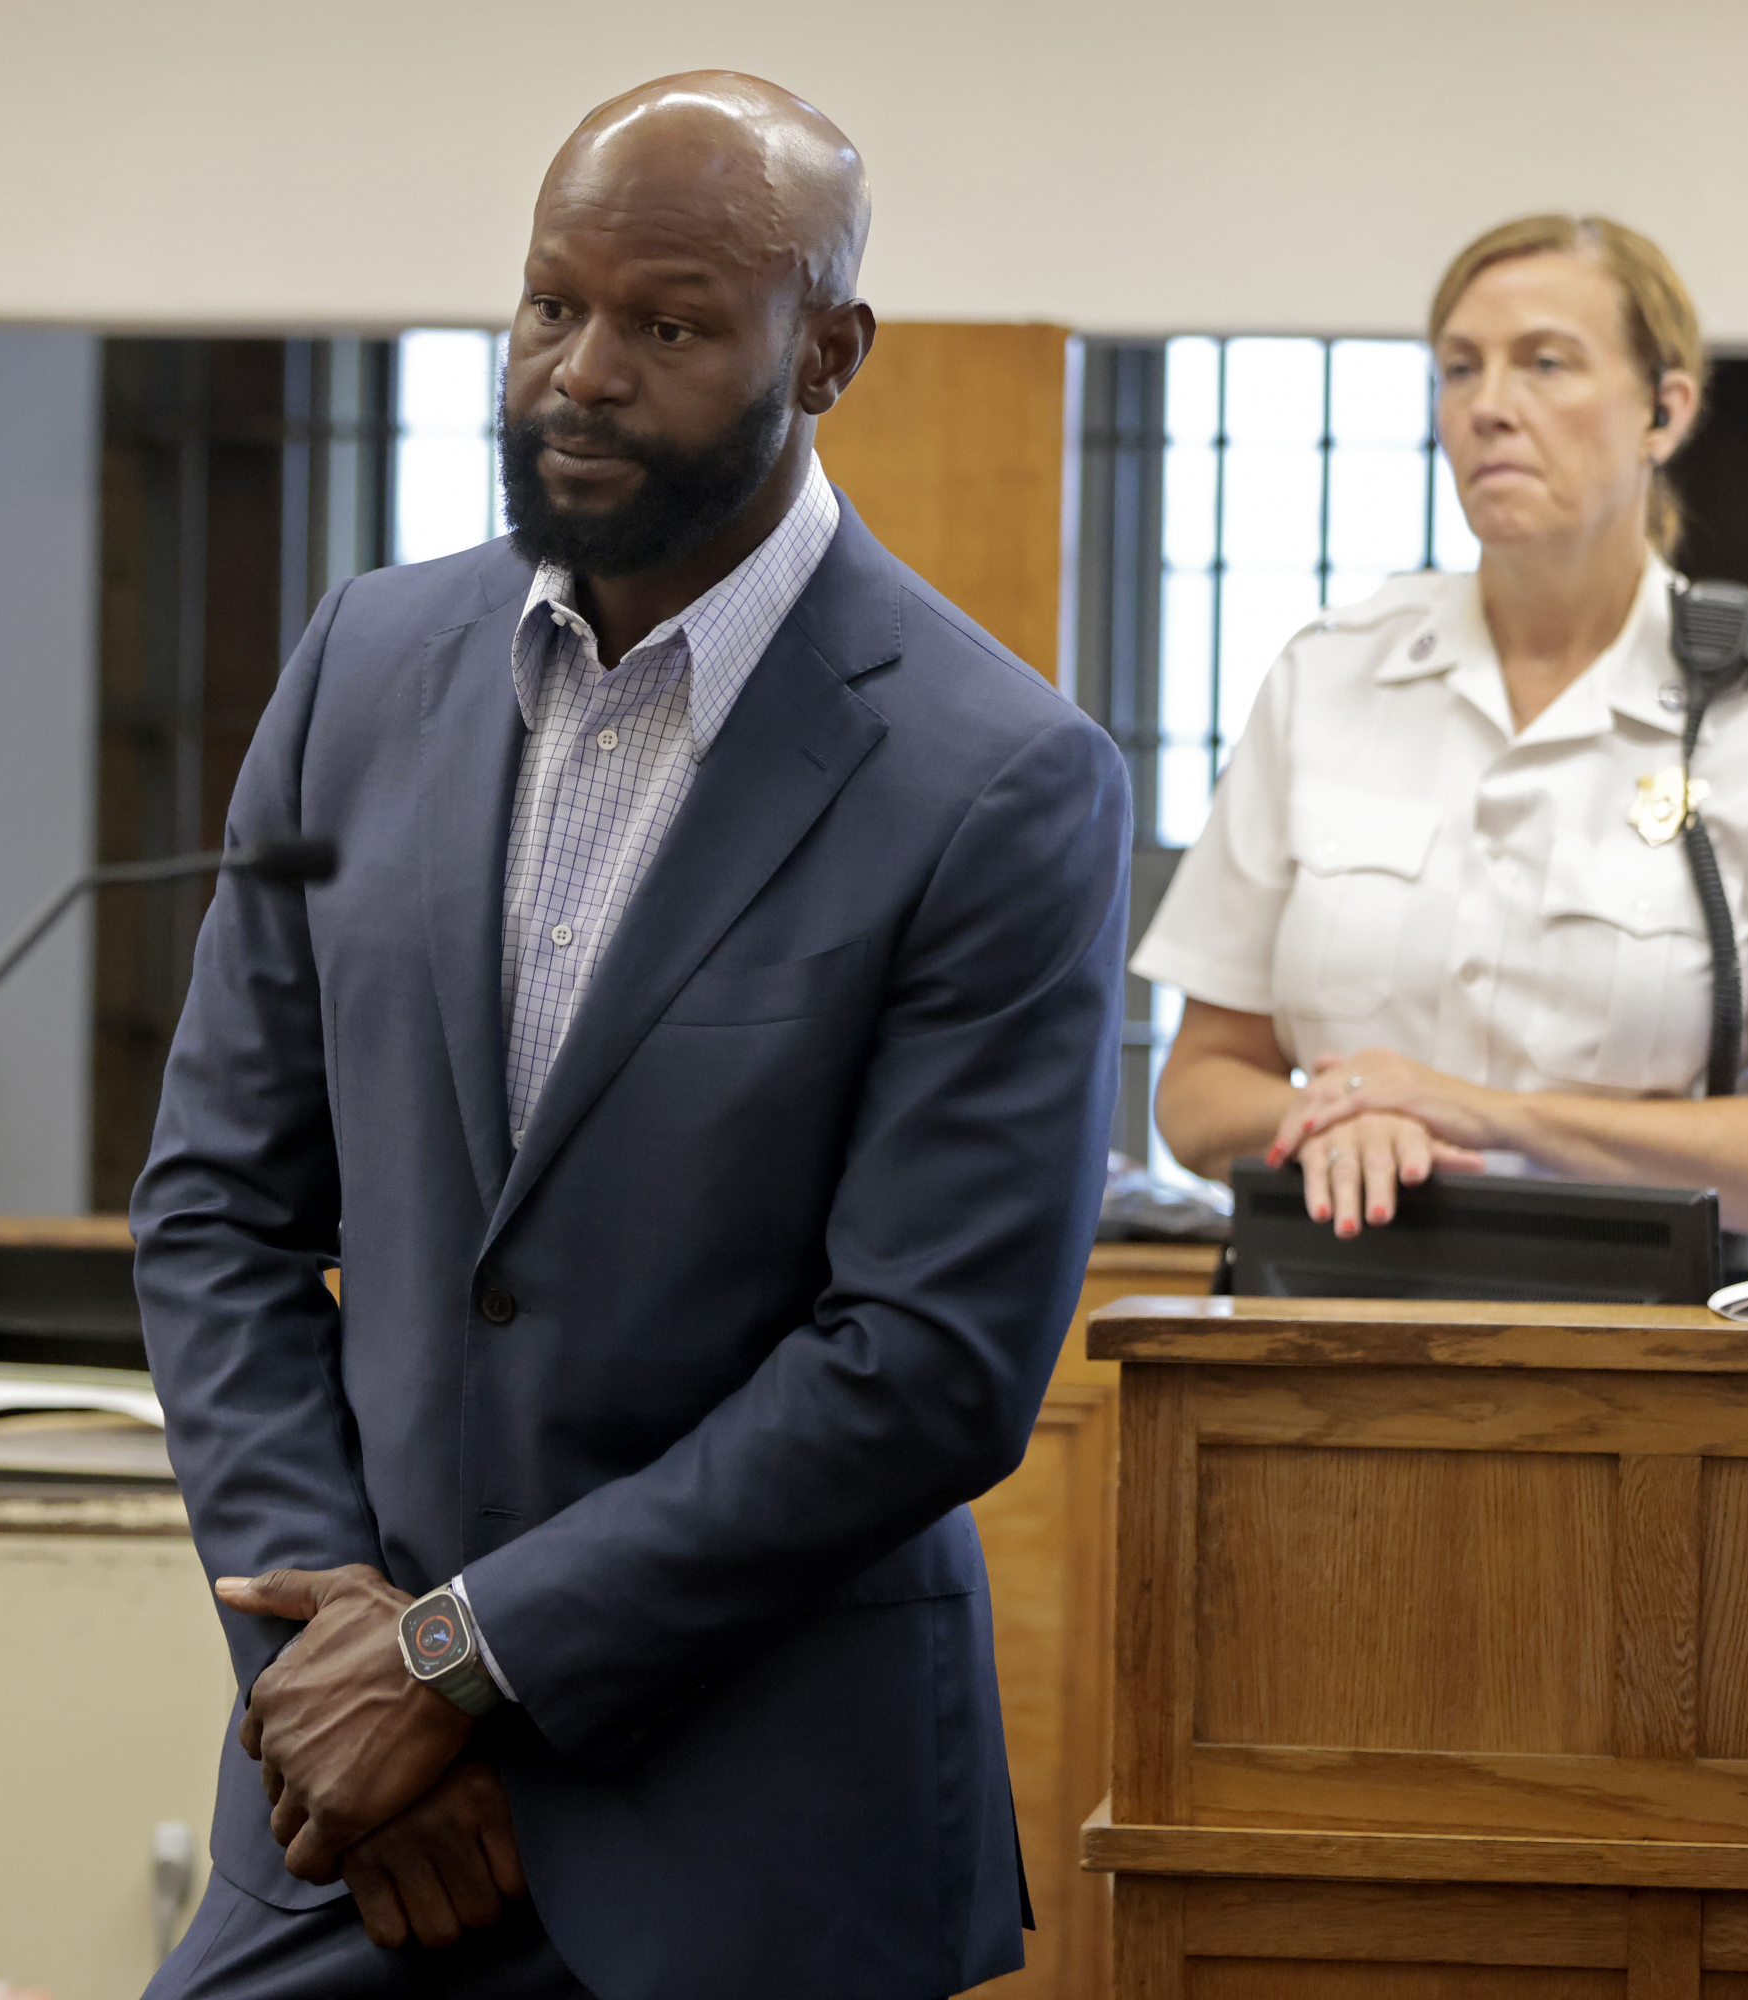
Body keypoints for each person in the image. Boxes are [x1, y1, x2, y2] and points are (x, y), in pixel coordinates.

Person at [131, 71, 1129, 2000]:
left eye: (665, 324)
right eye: (544, 306)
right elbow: (213, 1214)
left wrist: (465, 1657)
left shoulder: (996, 779)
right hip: (349, 1817)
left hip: (751, 1835)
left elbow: (925, 1362)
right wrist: (339, 1664)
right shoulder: (361, 666)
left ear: (824, 351)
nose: (578, 374)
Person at [1136, 215, 1748, 1241]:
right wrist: (1331, 1123)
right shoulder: (1328, 677)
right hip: (1327, 1321)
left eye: (1543, 364)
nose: (1488, 407)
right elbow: (1197, 1090)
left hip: (1647, 1360)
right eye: (1457, 368)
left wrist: (1481, 1112)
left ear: (1662, 411)